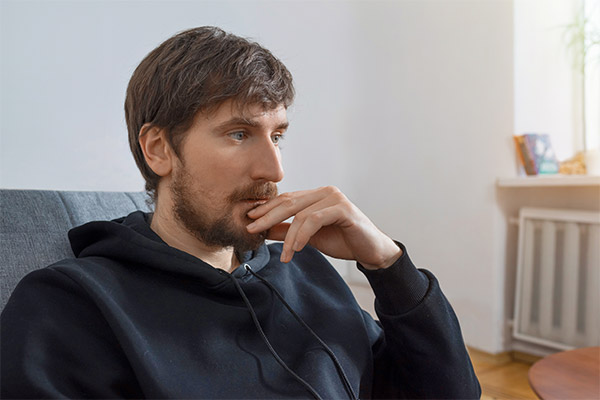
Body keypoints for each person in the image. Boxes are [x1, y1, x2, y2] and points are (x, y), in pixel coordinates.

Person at [1, 27, 480, 399]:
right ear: (159, 149)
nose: (274, 168)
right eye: (238, 134)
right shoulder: (70, 304)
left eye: (277, 135)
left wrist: (388, 265)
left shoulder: (303, 267)